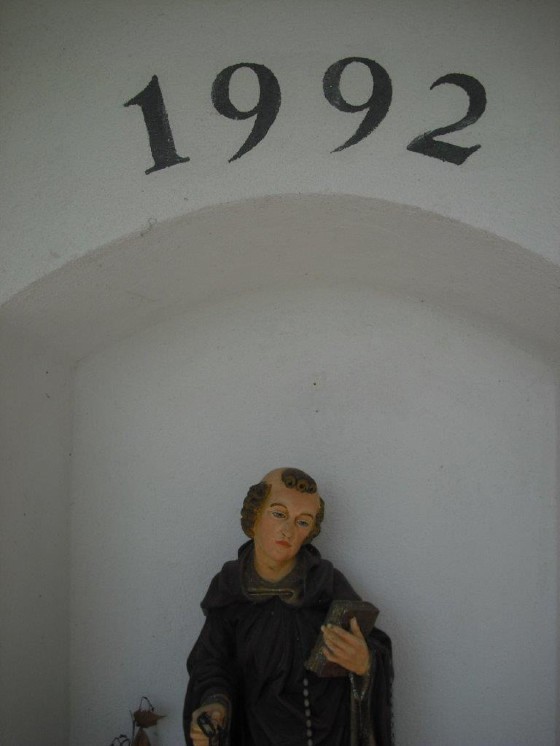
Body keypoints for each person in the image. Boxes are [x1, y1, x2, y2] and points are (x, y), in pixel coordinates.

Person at [183, 468, 393, 746]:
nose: (288, 530)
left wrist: (364, 662)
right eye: (279, 514)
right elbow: (212, 663)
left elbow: (372, 645)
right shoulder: (231, 588)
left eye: (302, 522)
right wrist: (215, 706)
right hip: (253, 733)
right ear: (254, 515)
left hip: (324, 734)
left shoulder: (326, 584)